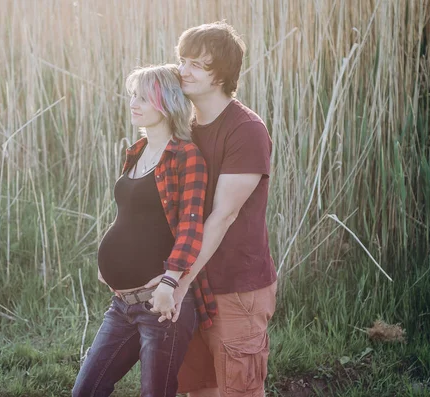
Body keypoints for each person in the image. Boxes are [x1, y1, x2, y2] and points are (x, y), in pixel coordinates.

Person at [72, 64, 216, 397]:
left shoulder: (186, 156)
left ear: (166, 103)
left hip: (160, 306)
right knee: (86, 391)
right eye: (133, 96)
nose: (134, 103)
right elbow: (131, 214)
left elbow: (191, 225)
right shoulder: (136, 152)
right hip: (122, 304)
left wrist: (170, 280)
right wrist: (108, 260)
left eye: (144, 98)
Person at [169, 22, 278, 397]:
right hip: (193, 284)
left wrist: (178, 282)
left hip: (235, 286)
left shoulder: (245, 130)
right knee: (198, 388)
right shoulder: (183, 128)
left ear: (222, 75)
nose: (184, 70)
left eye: (197, 64)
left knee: (238, 389)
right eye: (183, 60)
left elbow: (223, 216)